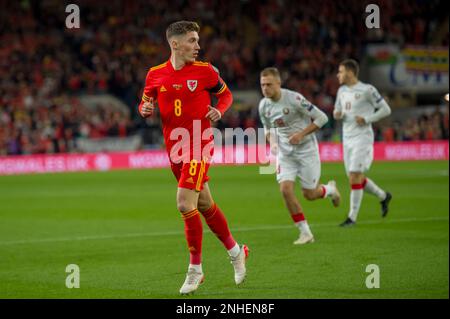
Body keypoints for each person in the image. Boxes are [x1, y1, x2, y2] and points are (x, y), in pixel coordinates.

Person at [138, 21, 248, 295]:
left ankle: (195, 270)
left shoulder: (206, 71)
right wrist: (144, 108)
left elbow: (226, 95)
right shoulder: (154, 75)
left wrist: (220, 110)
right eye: (192, 40)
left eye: (198, 40)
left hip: (198, 143)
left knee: (184, 202)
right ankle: (236, 251)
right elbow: (145, 102)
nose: (198, 46)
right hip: (173, 148)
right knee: (204, 203)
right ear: (175, 44)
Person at [258, 67, 341, 245]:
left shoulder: (294, 99)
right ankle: (305, 233)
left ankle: (330, 190)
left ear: (279, 83)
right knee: (285, 190)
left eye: (269, 84)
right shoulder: (263, 105)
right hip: (285, 154)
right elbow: (267, 128)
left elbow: (322, 118)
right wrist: (272, 141)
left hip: (306, 151)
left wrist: (301, 134)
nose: (265, 88)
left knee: (310, 194)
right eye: (262, 85)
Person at [333, 59, 392, 227]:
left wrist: (367, 119)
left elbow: (386, 109)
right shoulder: (341, 91)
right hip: (347, 138)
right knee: (355, 178)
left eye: (341, 71)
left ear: (350, 73)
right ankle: (383, 196)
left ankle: (352, 218)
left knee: (354, 176)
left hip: (362, 138)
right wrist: (337, 114)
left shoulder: (367, 90)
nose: (338, 74)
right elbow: (337, 110)